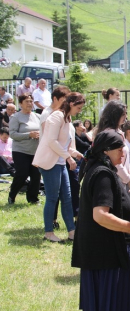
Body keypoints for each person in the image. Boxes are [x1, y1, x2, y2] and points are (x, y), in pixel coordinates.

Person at [71, 130, 130, 311]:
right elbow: (101, 216)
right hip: (106, 253)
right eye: (118, 147)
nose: (123, 151)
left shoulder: (101, 169)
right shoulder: (103, 173)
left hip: (104, 251)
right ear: (105, 151)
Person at [33, 93, 85, 243]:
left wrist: (76, 154)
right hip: (51, 163)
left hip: (60, 163)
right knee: (52, 198)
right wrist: (68, 157)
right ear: (70, 104)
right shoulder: (57, 116)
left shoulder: (67, 119)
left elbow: (65, 145)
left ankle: (72, 232)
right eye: (78, 107)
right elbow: (51, 141)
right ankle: (48, 232)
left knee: (67, 199)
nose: (79, 111)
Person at [8, 94, 41, 205]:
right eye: (27, 101)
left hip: (35, 151)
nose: (29, 103)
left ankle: (33, 198)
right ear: (21, 103)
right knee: (22, 174)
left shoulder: (38, 117)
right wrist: (29, 135)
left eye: (31, 101)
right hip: (20, 151)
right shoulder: (15, 117)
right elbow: (12, 134)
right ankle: (12, 196)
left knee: (36, 175)